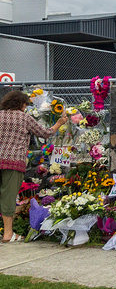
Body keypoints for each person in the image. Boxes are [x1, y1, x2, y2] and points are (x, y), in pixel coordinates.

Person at [0, 90, 67, 243]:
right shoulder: (24, 118)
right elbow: (45, 133)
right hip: (13, 162)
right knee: (8, 197)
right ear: (21, 104)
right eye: (25, 104)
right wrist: (59, 123)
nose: (26, 107)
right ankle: (8, 234)